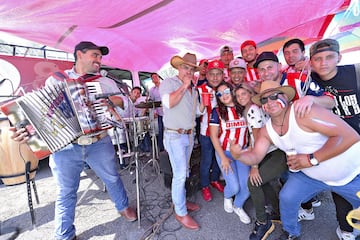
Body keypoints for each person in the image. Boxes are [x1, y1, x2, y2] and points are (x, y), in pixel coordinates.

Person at [10, 41, 137, 240]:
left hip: (99, 141)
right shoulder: (56, 80)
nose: (99, 60)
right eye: (95, 55)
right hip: (67, 146)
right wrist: (26, 129)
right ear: (79, 54)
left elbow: (126, 104)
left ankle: (123, 206)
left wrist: (112, 102)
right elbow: (44, 113)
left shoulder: (105, 81)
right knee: (66, 191)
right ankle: (64, 234)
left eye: (100, 57)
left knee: (112, 177)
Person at [230, 80, 360, 240]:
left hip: (350, 175)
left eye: (274, 96)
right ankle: (291, 232)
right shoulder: (267, 130)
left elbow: (350, 136)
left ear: (286, 97)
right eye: (264, 99)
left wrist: (311, 159)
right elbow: (256, 155)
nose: (269, 102)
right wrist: (240, 155)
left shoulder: (305, 112)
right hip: (310, 177)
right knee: (287, 197)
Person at [254, 51, 335, 223]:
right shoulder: (263, 91)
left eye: (270, 67)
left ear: (279, 66)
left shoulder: (297, 79)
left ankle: (310, 203)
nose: (266, 72)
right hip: (286, 144)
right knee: (291, 176)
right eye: (262, 70)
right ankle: (305, 205)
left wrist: (311, 99)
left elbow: (330, 101)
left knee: (324, 176)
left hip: (311, 142)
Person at [310, 38, 360, 240]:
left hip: (357, 138)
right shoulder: (310, 80)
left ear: (339, 57)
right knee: (341, 186)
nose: (324, 63)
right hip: (333, 143)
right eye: (318, 58)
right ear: (311, 62)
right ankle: (346, 230)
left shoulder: (355, 73)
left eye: (329, 57)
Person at [234, 82, 287, 239]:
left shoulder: (253, 110)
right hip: (271, 151)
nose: (241, 97)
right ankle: (278, 213)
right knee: (265, 182)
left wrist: (254, 165)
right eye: (237, 96)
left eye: (244, 94)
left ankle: (263, 222)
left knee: (254, 182)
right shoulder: (252, 109)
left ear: (251, 94)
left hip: (275, 152)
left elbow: (257, 137)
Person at [159, 52, 205, 231]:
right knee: (179, 174)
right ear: (178, 67)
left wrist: (202, 106)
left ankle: (182, 201)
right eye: (186, 67)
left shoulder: (193, 88)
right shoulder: (169, 83)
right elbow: (168, 103)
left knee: (184, 172)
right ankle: (180, 212)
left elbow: (195, 113)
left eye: (192, 69)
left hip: (188, 135)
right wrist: (184, 86)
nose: (189, 71)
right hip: (174, 136)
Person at [209, 81, 251, 224]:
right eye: (220, 94)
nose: (224, 96)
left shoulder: (244, 107)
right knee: (233, 187)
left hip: (243, 153)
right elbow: (214, 136)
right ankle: (228, 196)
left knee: (246, 187)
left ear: (232, 91)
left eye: (226, 91)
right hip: (224, 153)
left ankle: (238, 206)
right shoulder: (216, 112)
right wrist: (223, 158)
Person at [197, 59, 225, 202]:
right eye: (211, 74)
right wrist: (202, 105)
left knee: (217, 158)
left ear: (223, 75)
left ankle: (215, 179)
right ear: (206, 75)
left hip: (223, 132)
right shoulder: (200, 90)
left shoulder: (226, 89)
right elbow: (195, 113)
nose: (214, 77)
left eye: (218, 74)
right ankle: (204, 185)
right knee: (206, 160)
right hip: (206, 132)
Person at [148, 72, 164, 152]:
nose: (155, 78)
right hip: (160, 113)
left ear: (159, 77)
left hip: (169, 112)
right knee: (161, 130)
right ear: (152, 80)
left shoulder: (165, 86)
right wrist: (154, 111)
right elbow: (151, 101)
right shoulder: (152, 90)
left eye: (156, 77)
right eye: (153, 77)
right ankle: (162, 147)